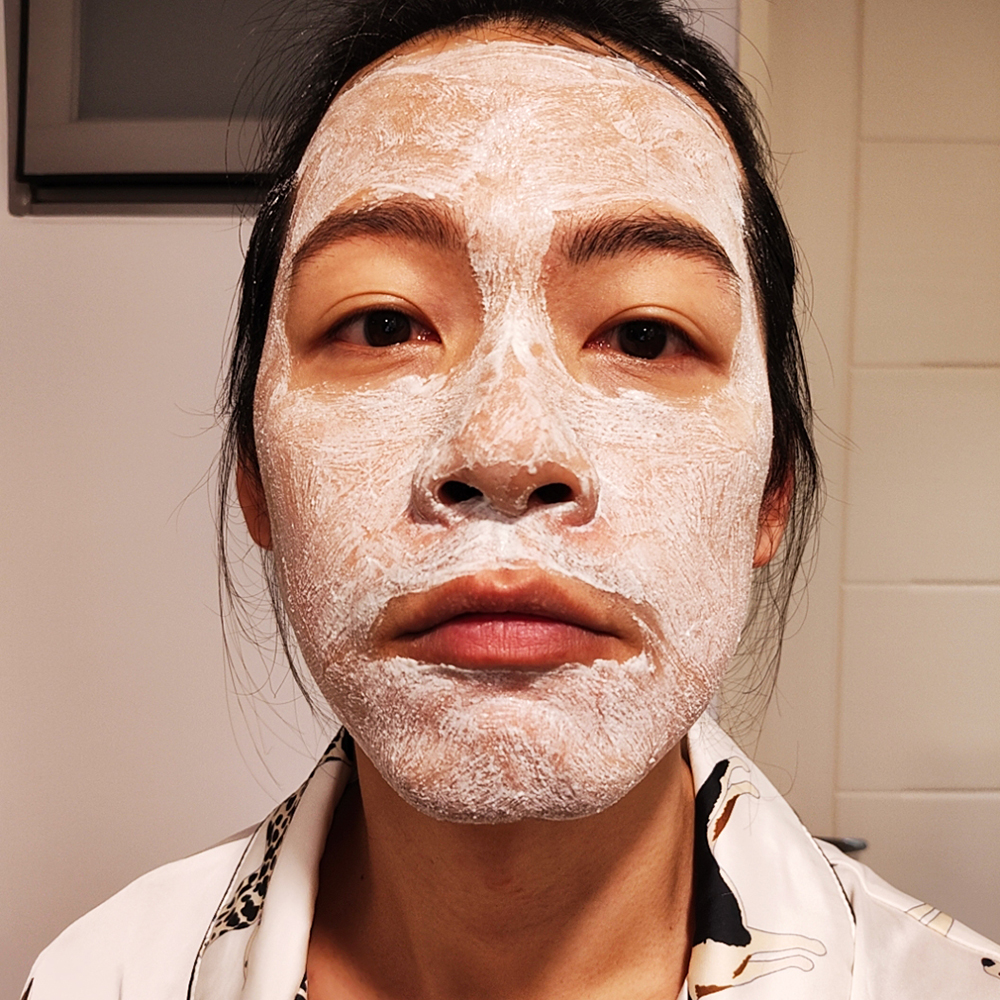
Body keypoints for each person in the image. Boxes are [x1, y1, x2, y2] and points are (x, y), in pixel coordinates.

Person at [22, 1, 1000, 997]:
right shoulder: (94, 979)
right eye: (382, 323)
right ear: (255, 478)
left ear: (770, 493)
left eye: (646, 334)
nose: (505, 449)